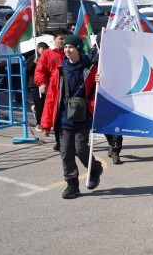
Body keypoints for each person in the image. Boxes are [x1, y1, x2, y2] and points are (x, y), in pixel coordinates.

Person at [41, 35, 103, 199]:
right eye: (66, 47)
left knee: (81, 149)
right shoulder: (60, 70)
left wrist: (101, 81)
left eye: (71, 47)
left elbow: (102, 91)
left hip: (83, 116)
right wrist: (46, 123)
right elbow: (52, 97)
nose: (67, 50)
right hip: (64, 118)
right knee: (66, 152)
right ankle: (72, 184)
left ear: (78, 49)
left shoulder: (90, 69)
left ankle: (95, 168)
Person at [34, 28, 68, 151]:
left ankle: (67, 141)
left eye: (65, 38)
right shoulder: (47, 54)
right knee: (56, 116)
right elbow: (40, 71)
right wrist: (42, 83)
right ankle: (59, 141)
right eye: (61, 38)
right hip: (53, 90)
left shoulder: (70, 51)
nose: (63, 41)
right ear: (54, 39)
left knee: (68, 115)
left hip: (69, 89)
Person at [26, 42, 49, 131]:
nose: (43, 51)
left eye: (45, 49)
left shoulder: (47, 57)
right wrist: (34, 63)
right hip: (35, 84)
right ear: (38, 49)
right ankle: (39, 123)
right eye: (42, 49)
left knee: (44, 104)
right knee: (40, 104)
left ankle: (38, 113)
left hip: (45, 83)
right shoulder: (32, 57)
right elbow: (27, 70)